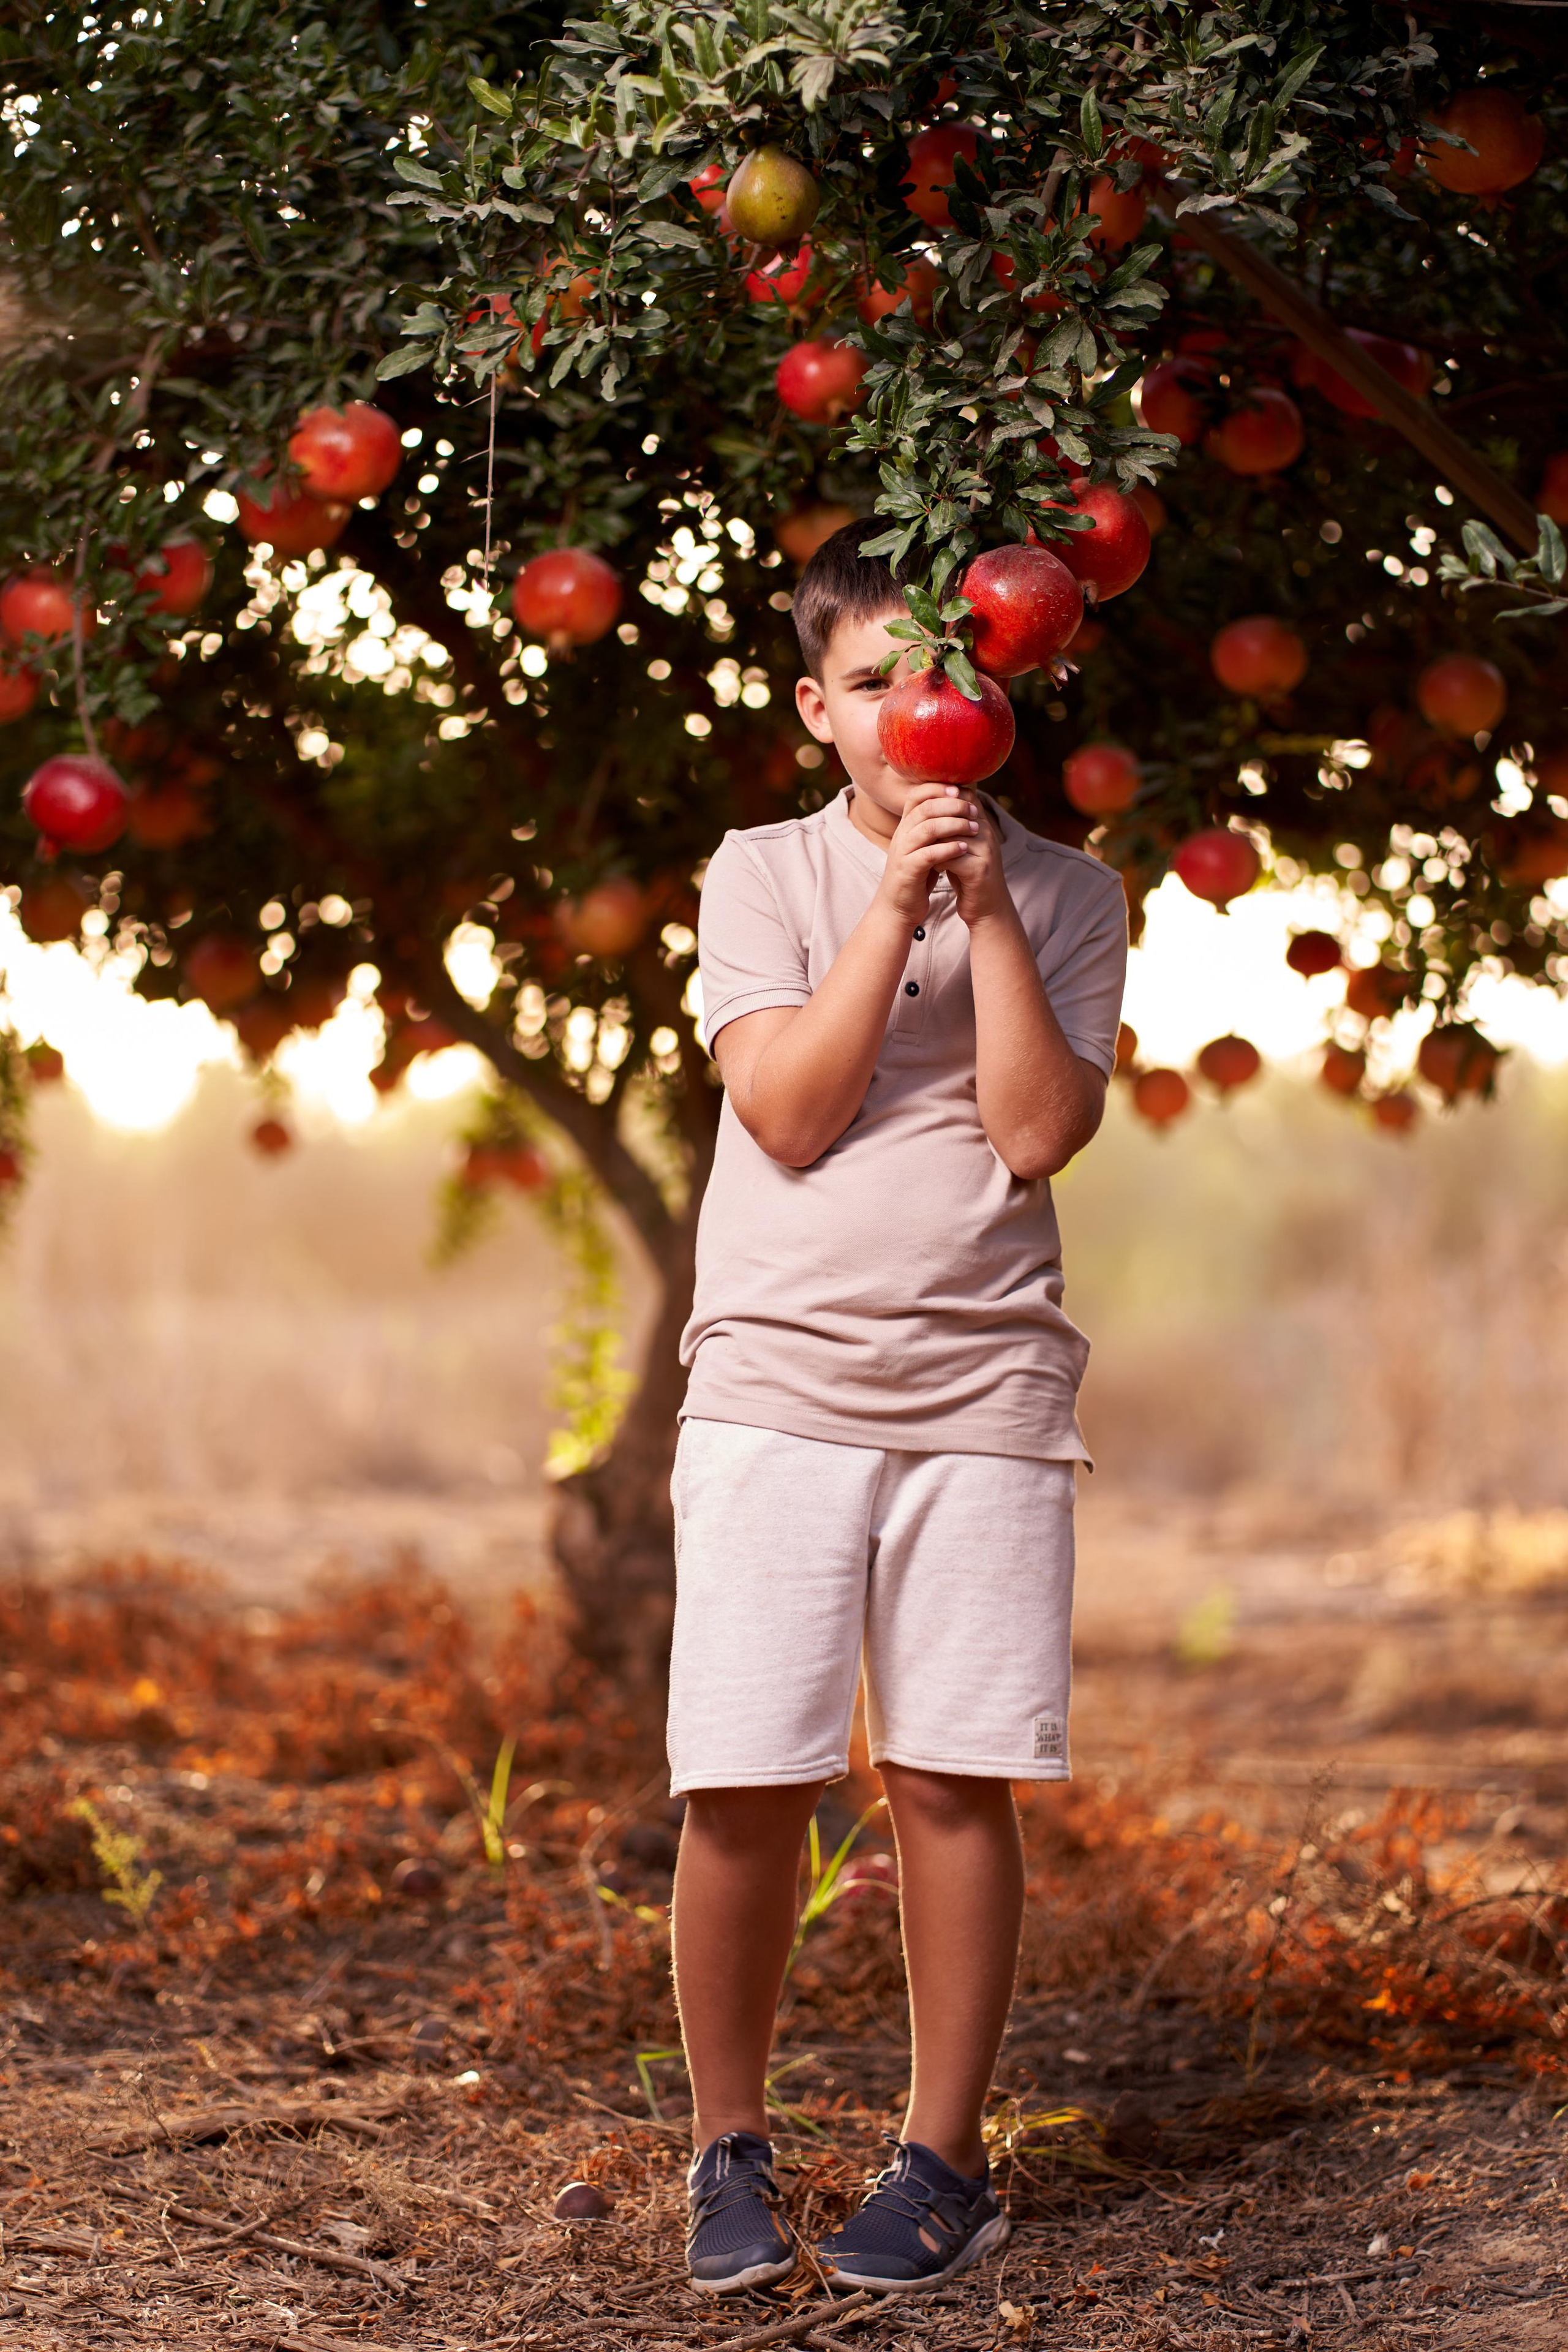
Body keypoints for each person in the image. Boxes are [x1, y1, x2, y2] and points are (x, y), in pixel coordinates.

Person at [669, 520, 1127, 2297]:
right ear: (820, 710)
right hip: (779, 1382)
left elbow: (1034, 1132)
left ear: (1003, 702)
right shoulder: (760, 872)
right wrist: (890, 910)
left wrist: (988, 904)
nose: (917, 710)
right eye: (879, 683)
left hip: (984, 1391)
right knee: (747, 1780)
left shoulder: (1076, 896)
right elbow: (786, 1111)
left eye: (955, 680)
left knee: (950, 1776)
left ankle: (942, 2159)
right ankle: (731, 2142)